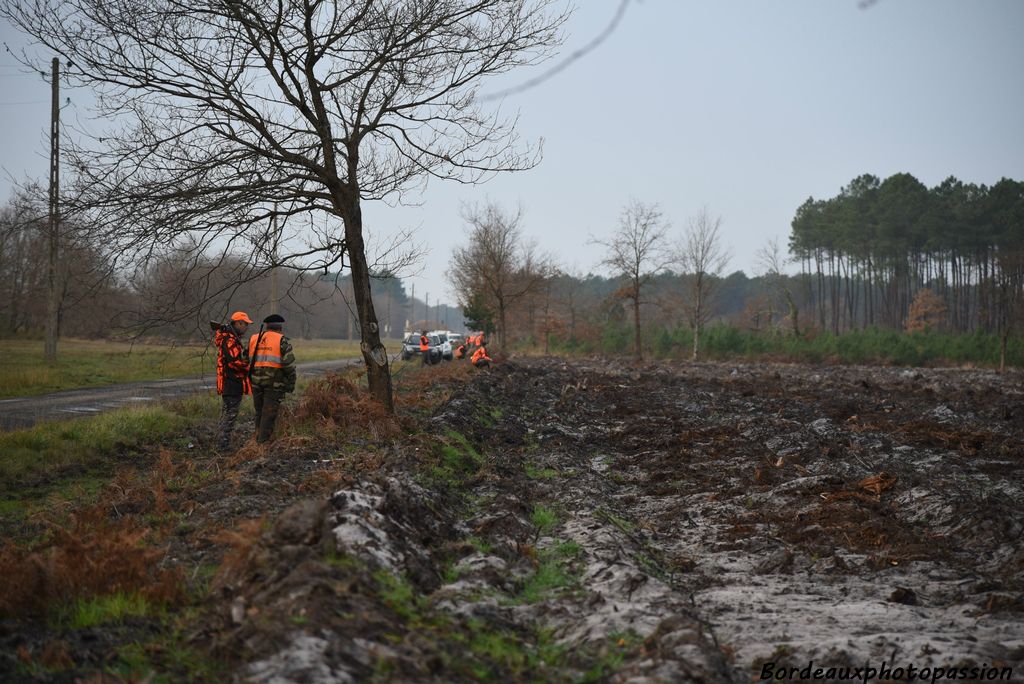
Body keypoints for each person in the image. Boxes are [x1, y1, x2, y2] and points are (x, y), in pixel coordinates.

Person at [249, 313, 296, 443]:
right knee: (268, 415)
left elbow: (244, 359)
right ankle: (262, 444)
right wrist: (290, 385)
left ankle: (256, 439)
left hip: (256, 383)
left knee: (259, 412)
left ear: (267, 327)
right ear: (279, 328)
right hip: (274, 385)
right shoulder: (281, 340)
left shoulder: (254, 338)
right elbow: (289, 366)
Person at [215, 311, 252, 451]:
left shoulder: (231, 338)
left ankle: (221, 442)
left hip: (230, 382)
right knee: (230, 415)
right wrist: (248, 367)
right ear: (237, 323)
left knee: (227, 413)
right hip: (231, 382)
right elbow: (233, 362)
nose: (246, 327)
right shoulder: (230, 340)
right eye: (244, 324)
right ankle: (223, 446)